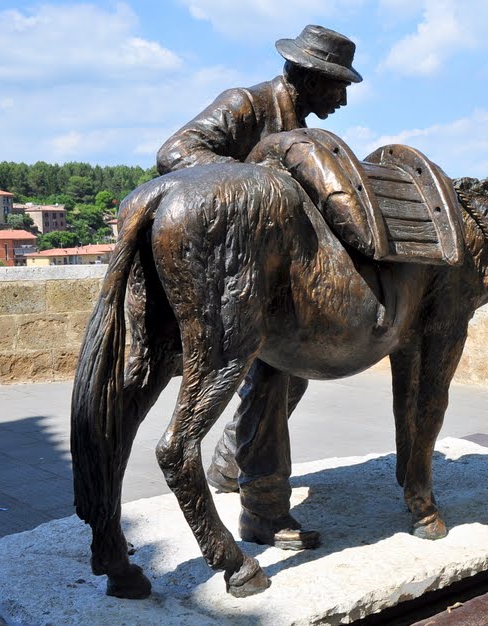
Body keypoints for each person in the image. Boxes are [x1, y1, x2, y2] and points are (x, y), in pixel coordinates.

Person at [154, 25, 362, 550]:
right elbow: (176, 153)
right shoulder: (244, 103)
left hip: (272, 272)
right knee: (275, 375)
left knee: (291, 380)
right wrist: (256, 186)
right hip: (224, 266)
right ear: (310, 78)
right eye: (337, 85)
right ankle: (263, 510)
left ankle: (230, 464)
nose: (342, 98)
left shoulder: (306, 130)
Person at [157, 24, 361, 174]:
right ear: (312, 83)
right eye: (340, 89)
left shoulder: (301, 131)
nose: (343, 101)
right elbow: (172, 152)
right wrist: (252, 173)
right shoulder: (244, 103)